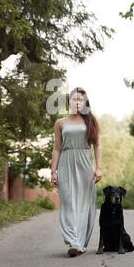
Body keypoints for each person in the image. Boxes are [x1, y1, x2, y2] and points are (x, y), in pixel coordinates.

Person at [51, 87, 102, 257]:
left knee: (82, 204)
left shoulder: (91, 121)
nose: (77, 102)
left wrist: (99, 168)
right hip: (65, 163)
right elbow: (57, 148)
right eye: (74, 99)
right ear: (69, 102)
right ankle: (73, 241)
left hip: (84, 164)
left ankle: (78, 242)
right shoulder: (60, 123)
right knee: (68, 202)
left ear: (85, 102)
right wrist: (53, 172)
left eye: (81, 99)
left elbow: (97, 145)